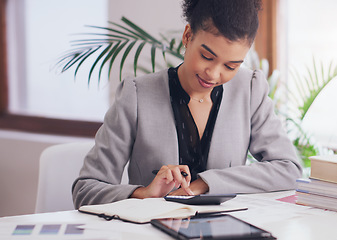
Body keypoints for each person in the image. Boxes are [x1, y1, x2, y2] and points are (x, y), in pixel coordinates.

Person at [72, 0, 302, 208]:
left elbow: (288, 169)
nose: (213, 74)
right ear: (188, 36)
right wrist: (144, 193)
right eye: (207, 57)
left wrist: (206, 182)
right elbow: (85, 189)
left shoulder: (249, 89)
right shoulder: (137, 95)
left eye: (230, 66)